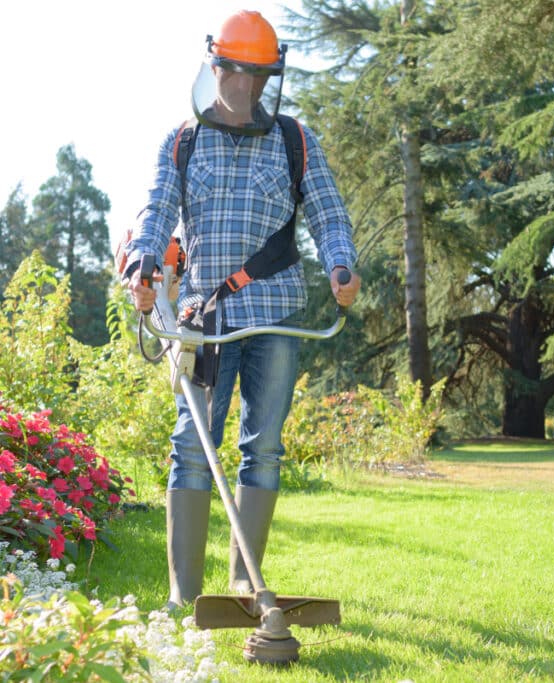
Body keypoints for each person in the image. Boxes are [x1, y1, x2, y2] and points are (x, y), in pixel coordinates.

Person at [122, 10, 361, 610]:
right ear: (215, 68)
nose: (242, 87)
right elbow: (156, 211)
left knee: (265, 447)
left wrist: (341, 267)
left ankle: (243, 583)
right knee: (190, 446)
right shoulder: (183, 139)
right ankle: (184, 594)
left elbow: (328, 214)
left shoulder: (292, 139)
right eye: (233, 74)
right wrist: (143, 264)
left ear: (266, 78)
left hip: (275, 315)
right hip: (206, 320)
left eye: (255, 77)